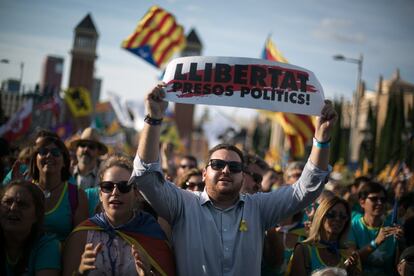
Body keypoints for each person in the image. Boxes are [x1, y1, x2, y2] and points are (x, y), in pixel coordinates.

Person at [130, 84, 337, 275]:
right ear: (204, 173)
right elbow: (147, 177)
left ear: (242, 175)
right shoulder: (183, 204)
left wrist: (322, 139)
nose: (226, 170)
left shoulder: (259, 208)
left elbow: (306, 189)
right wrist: (154, 118)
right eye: (218, 165)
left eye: (234, 167)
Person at [62, 155, 175, 276]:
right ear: (100, 194)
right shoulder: (82, 235)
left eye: (123, 187)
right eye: (107, 187)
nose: (115, 193)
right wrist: (80, 272)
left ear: (136, 193)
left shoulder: (151, 233)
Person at [29, 136, 89, 241]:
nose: (49, 155)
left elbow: (80, 240)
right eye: (43, 151)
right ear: (35, 159)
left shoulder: (77, 195)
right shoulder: (25, 191)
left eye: (55, 152)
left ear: (65, 161)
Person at [0, 180, 61, 275]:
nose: (13, 208)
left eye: (22, 204)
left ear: (37, 215)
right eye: (7, 202)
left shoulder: (47, 245)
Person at [288, 196, 360, 276]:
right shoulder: (304, 250)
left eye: (343, 216)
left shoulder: (348, 255)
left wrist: (350, 271)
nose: (337, 219)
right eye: (331, 215)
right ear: (320, 217)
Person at [348, 181, 404, 275]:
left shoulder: (392, 228)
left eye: (383, 199)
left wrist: (402, 243)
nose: (379, 203)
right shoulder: (353, 226)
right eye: (374, 199)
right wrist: (376, 242)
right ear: (362, 202)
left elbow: (398, 264)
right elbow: (350, 260)